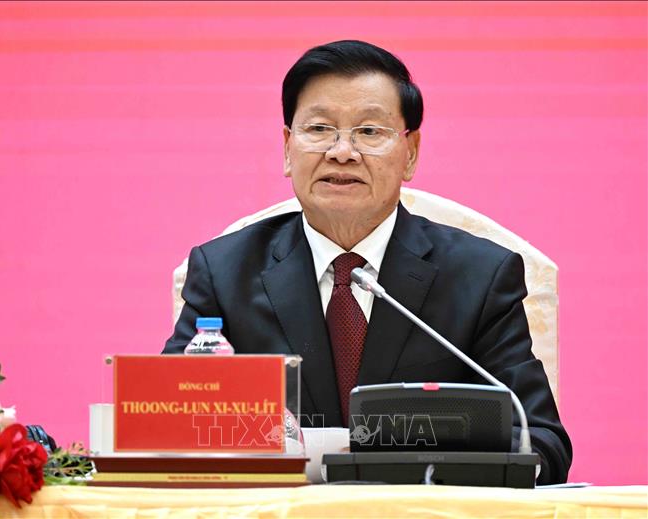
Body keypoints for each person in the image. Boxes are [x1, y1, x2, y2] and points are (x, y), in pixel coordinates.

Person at [164, 40, 572, 484]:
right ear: (287, 148)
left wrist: (416, 460)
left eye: (369, 132)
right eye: (319, 128)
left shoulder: (479, 277)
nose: (342, 151)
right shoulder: (224, 274)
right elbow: (163, 429)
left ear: (410, 152)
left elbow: (541, 442)